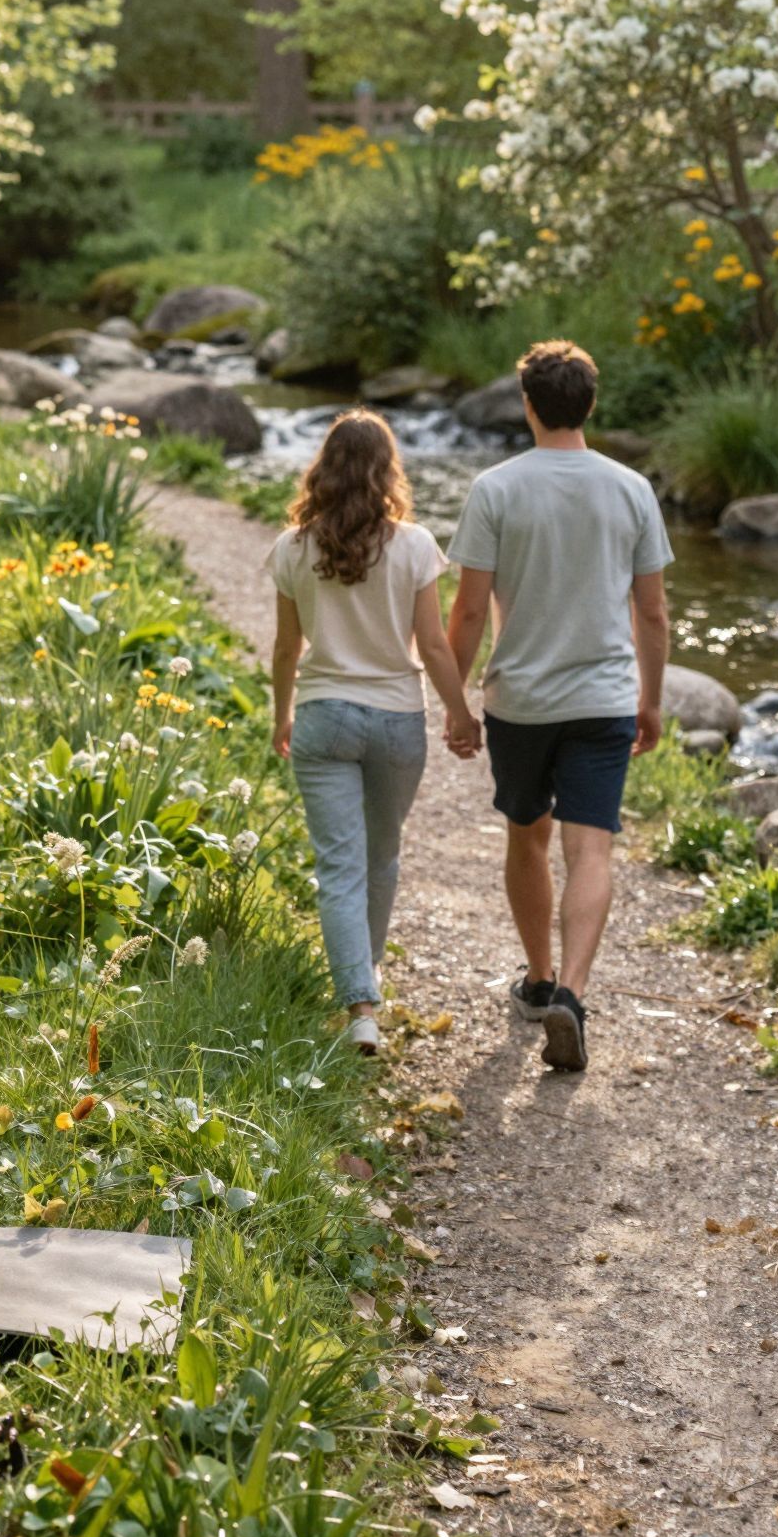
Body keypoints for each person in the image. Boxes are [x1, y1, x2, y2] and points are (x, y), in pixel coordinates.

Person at [446, 340, 672, 1074]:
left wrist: (455, 699)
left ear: (527, 404)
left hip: (523, 700)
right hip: (604, 698)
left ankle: (539, 977)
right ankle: (572, 995)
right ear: (591, 403)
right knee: (592, 848)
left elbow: (471, 613)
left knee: (527, 834)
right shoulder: (631, 488)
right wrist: (652, 701)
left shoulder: (497, 488)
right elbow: (654, 615)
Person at [266, 410, 481, 1055]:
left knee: (339, 867)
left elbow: (284, 649)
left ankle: (360, 1004)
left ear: (322, 469)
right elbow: (435, 647)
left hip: (325, 715)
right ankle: (368, 971)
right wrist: (460, 713)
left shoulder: (292, 547)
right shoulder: (413, 546)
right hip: (396, 719)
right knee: (381, 856)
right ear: (388, 470)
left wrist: (283, 714)